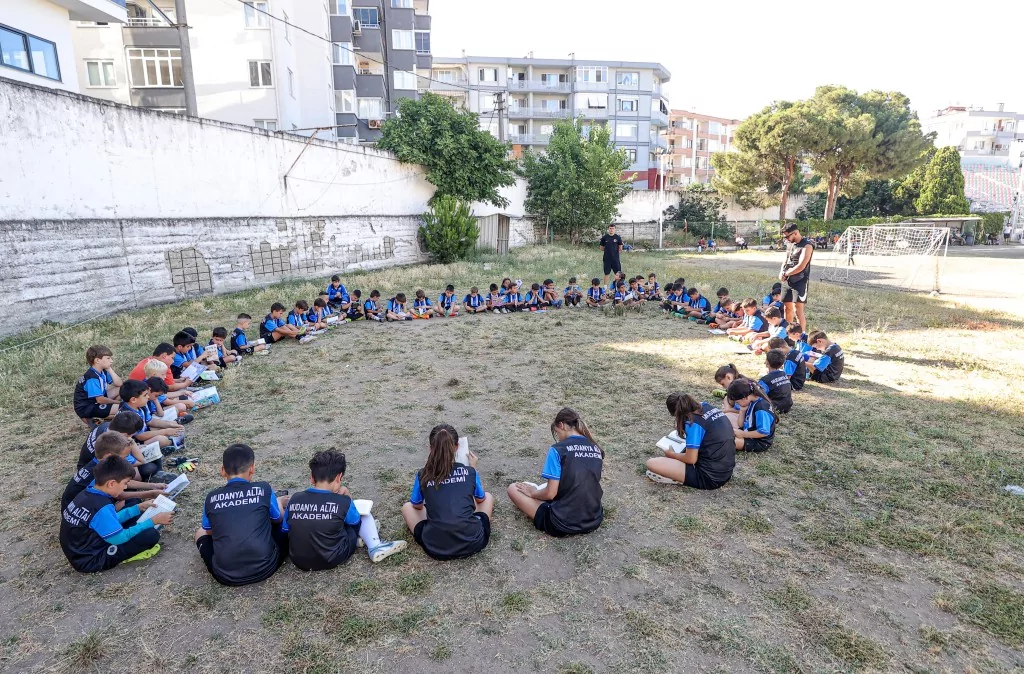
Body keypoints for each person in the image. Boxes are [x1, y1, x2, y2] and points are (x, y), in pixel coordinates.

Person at [285, 449, 405, 570]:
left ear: (311, 478)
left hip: (298, 560)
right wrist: (347, 496)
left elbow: (285, 529)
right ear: (339, 477)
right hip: (333, 557)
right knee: (361, 514)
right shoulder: (343, 501)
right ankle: (375, 545)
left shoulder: (295, 499)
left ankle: (364, 539)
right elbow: (355, 522)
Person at [195, 444, 290, 586]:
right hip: (266, 567)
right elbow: (278, 519)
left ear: (222, 471)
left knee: (200, 531)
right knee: (282, 524)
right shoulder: (263, 488)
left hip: (225, 576)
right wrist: (278, 502)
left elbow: (209, 530)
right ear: (252, 468)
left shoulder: (211, 497)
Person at [59, 456, 169, 573]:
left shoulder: (90, 492)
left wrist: (137, 508)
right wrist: (152, 521)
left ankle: (138, 512)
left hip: (85, 546)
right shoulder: (101, 507)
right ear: (111, 483)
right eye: (125, 483)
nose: (126, 487)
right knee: (150, 535)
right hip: (92, 559)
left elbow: (108, 519)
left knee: (133, 503)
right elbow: (119, 538)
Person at [401, 424, 494, 561]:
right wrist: (472, 468)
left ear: (430, 449)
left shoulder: (423, 474)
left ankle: (440, 526)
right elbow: (480, 500)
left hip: (436, 548)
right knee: (488, 497)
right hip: (473, 542)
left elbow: (417, 506)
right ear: (457, 447)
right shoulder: (469, 472)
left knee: (407, 507)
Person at [506, 408, 604, 537]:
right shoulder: (596, 448)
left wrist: (533, 493)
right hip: (594, 520)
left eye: (557, 433)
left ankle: (538, 496)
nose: (558, 438)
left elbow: (550, 494)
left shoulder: (558, 449)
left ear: (561, 425)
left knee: (513, 489)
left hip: (562, 524)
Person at [644, 393, 736, 490]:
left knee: (652, 463)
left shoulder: (692, 422)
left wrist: (671, 454)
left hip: (709, 478)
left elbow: (691, 459)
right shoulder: (707, 406)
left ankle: (676, 478)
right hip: (726, 471)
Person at [62, 430, 166, 511]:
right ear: (109, 456)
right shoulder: (99, 472)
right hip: (85, 513)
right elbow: (120, 496)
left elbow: (124, 483)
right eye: (124, 457)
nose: (127, 460)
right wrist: (150, 493)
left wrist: (153, 485)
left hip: (83, 506)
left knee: (131, 500)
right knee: (132, 503)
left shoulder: (100, 464)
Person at [73, 345, 122, 424]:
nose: (111, 361)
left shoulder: (102, 371)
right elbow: (100, 400)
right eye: (108, 358)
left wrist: (110, 369)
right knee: (124, 409)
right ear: (97, 360)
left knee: (122, 389)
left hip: (95, 402)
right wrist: (119, 403)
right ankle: (98, 419)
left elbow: (119, 384)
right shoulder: (92, 378)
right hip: (87, 408)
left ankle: (108, 414)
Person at [779, 223, 814, 332]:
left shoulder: (807, 246)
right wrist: (781, 272)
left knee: (798, 310)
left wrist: (787, 273)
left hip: (800, 281)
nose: (786, 239)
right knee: (787, 308)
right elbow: (785, 259)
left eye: (787, 236)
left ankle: (801, 337)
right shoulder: (790, 244)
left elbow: (802, 265)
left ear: (795, 233)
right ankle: (788, 333)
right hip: (787, 280)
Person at [728, 378, 778, 453]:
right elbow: (741, 425)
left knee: (727, 442)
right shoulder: (752, 401)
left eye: (737, 402)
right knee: (728, 416)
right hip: (748, 431)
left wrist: (742, 434)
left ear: (745, 397)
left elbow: (763, 432)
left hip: (759, 442)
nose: (737, 404)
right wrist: (742, 410)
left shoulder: (761, 408)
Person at [758, 349, 794, 414]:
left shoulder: (765, 380)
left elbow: (758, 395)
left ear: (767, 362)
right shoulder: (784, 374)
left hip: (774, 407)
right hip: (788, 405)